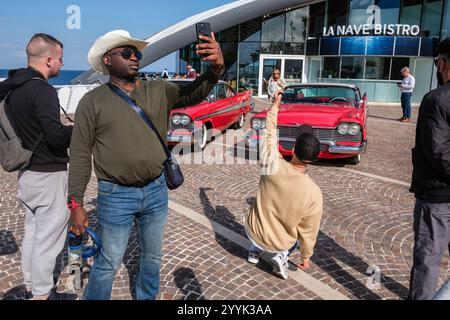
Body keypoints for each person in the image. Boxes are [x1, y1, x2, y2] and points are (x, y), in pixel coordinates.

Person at [67, 30, 224, 300]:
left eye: (136, 53)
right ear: (107, 60)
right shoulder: (92, 102)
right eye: (126, 53)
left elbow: (193, 95)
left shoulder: (159, 89)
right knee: (109, 261)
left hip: (155, 190)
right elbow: (80, 153)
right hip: (115, 195)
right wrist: (76, 203)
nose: (134, 58)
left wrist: (216, 68)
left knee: (152, 257)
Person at [0, 34, 76, 300]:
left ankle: (31, 286)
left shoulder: (13, 88)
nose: (62, 64)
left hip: (26, 173)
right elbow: (55, 136)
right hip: (48, 174)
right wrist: (76, 131)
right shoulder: (42, 91)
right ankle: (43, 295)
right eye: (60, 58)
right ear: (48, 59)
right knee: (49, 238)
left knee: (33, 232)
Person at [244, 90, 323, 280]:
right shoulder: (314, 193)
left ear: (294, 148)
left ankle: (254, 252)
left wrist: (275, 106)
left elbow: (269, 133)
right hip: (278, 242)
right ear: (315, 158)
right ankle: (281, 256)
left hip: (252, 231)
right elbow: (309, 231)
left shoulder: (272, 163)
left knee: (258, 207)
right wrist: (306, 257)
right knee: (299, 232)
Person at [408, 37, 450, 300]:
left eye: (437, 62)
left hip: (437, 196)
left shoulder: (436, 100)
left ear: (443, 63)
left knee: (427, 260)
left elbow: (438, 152)